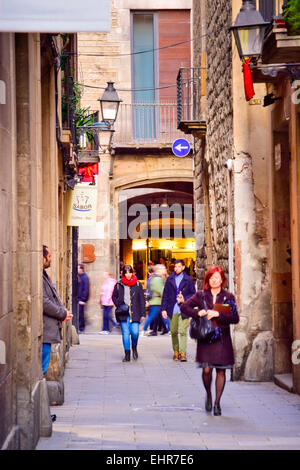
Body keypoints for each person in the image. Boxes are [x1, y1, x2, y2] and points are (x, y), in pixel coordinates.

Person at [180, 265, 239, 416]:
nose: (214, 281)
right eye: (212, 278)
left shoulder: (228, 297)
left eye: (217, 278)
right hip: (206, 338)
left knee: (221, 371)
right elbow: (184, 307)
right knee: (207, 370)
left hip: (222, 338)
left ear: (222, 280)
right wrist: (197, 312)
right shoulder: (201, 295)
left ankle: (217, 403)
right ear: (208, 279)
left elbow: (235, 318)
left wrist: (218, 314)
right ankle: (209, 394)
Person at [42, 246, 73, 420]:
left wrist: (63, 311)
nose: (51, 258)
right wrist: (62, 313)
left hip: (48, 331)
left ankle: (44, 411)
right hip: (45, 332)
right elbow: (45, 302)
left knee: (43, 369)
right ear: (43, 257)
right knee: (41, 370)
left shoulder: (44, 276)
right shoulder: (40, 277)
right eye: (49, 256)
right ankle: (42, 412)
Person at [161, 259, 196, 362]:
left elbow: (193, 294)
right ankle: (176, 350)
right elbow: (165, 294)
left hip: (184, 308)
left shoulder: (188, 279)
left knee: (183, 331)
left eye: (179, 266)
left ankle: (182, 353)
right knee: (173, 331)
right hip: (172, 308)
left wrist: (184, 298)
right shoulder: (169, 279)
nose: (177, 269)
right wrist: (163, 309)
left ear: (183, 267)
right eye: (175, 267)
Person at [112, 265, 145, 362]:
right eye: (125, 272)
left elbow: (142, 300)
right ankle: (127, 354)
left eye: (129, 272)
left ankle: (134, 347)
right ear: (123, 274)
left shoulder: (138, 285)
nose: (128, 274)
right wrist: (119, 304)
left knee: (135, 332)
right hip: (123, 313)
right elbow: (113, 296)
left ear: (132, 273)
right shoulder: (119, 284)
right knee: (125, 333)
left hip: (135, 312)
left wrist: (143, 313)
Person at [141, 264, 169, 336]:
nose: (164, 269)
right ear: (158, 270)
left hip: (156, 301)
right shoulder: (157, 279)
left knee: (162, 316)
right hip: (157, 301)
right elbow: (161, 290)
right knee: (152, 317)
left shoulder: (156, 278)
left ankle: (170, 329)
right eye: (162, 268)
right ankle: (144, 330)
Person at [78, 264, 90, 332]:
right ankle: (80, 327)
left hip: (81, 299)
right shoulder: (80, 276)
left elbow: (86, 289)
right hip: (79, 298)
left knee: (80, 314)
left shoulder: (84, 277)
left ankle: (81, 328)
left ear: (81, 269)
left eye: (78, 268)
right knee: (80, 313)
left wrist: (83, 299)